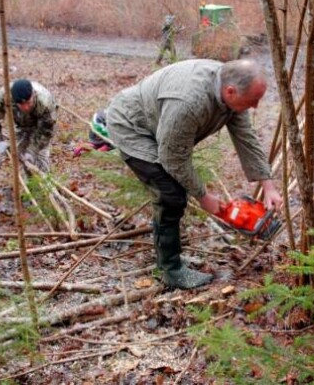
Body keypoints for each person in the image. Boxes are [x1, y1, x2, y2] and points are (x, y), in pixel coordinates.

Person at [107, 59, 283, 289]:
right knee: (170, 193)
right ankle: (170, 269)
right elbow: (172, 157)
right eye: (253, 101)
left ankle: (171, 257)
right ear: (230, 92)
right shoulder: (189, 101)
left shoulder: (229, 88)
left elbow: (246, 138)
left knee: (175, 189)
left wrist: (268, 185)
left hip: (160, 125)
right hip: (133, 126)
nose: (256, 107)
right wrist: (203, 196)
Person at [0, 79, 57, 172]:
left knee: (39, 159)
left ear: (33, 95)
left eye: (28, 103)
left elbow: (46, 131)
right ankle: (28, 181)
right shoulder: (3, 97)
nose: (25, 107)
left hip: (40, 127)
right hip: (21, 125)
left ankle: (43, 181)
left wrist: (32, 151)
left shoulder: (45, 101)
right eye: (21, 104)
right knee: (21, 156)